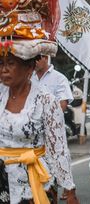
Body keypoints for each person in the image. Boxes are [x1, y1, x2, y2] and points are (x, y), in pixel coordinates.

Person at [0, 53, 78, 204]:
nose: (4, 69)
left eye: (10, 63)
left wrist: (69, 190)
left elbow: (58, 150)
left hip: (35, 178)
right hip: (2, 178)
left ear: (29, 67)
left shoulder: (46, 100)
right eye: (1, 64)